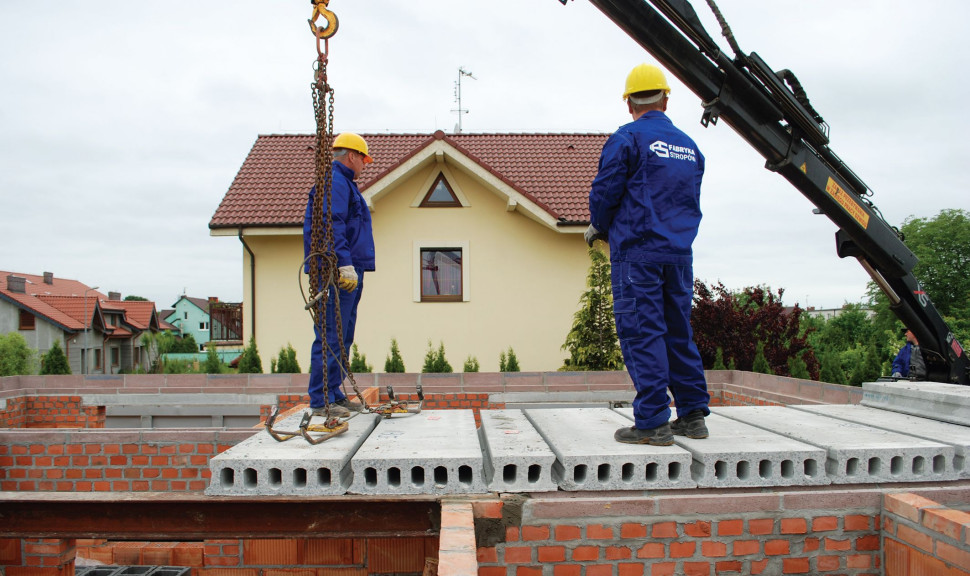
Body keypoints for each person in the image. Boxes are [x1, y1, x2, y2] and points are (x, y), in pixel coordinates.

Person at [586, 63, 710, 445]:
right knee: (677, 332)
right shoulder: (690, 148)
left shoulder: (627, 139)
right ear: (666, 100)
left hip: (638, 254)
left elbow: (605, 192)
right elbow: (688, 200)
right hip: (678, 255)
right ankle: (691, 415)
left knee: (643, 333)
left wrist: (598, 225)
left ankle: (653, 422)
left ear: (629, 104)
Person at [303, 132, 376, 418]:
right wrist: (343, 263)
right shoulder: (335, 182)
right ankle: (321, 400)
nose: (365, 165)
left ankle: (333, 392)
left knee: (343, 335)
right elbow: (331, 223)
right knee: (330, 334)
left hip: (349, 269)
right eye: (364, 159)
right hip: (335, 271)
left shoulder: (344, 183)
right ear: (352, 156)